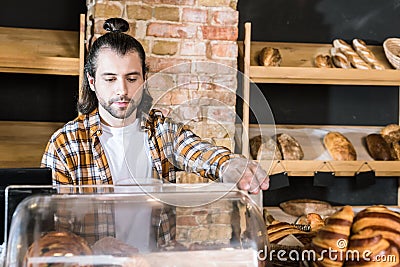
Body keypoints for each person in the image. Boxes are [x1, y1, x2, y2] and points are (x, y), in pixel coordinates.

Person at [41, 18, 269, 249]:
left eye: (132, 78)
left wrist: (228, 166)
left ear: (144, 79)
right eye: (110, 79)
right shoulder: (65, 144)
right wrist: (91, 250)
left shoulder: (162, 132)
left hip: (156, 260)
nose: (122, 90)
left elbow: (200, 152)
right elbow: (48, 228)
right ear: (91, 81)